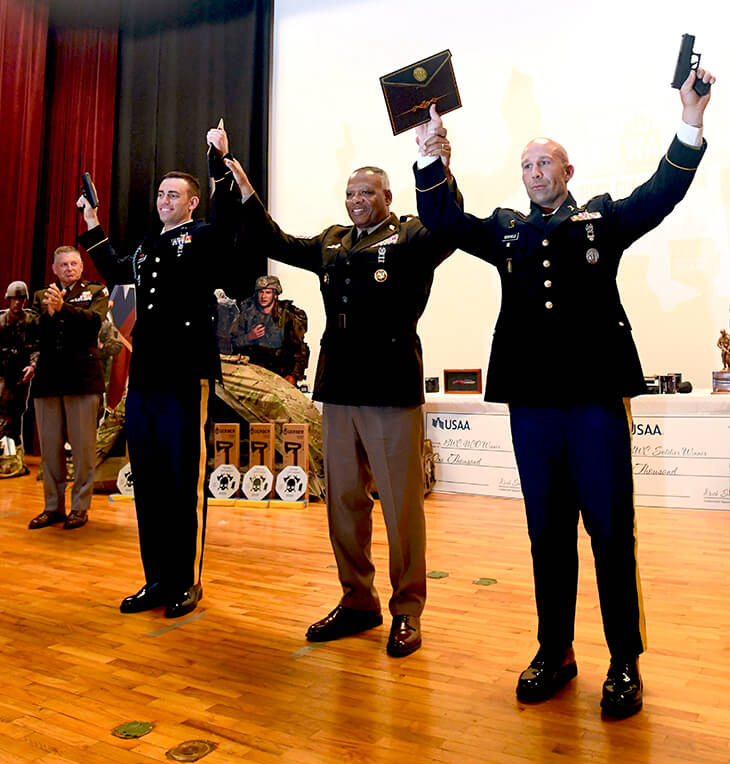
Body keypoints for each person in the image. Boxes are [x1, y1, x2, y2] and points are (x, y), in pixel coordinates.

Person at [413, 68, 715, 716]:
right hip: (533, 408)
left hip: (595, 404)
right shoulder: (505, 231)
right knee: (546, 534)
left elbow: (660, 193)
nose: (534, 169)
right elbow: (441, 218)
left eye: (545, 160)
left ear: (568, 170)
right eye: (526, 163)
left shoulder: (600, 220)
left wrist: (689, 123)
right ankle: (556, 650)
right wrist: (431, 152)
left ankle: (624, 659)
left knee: (610, 531)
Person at [224, 156, 460, 657]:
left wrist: (437, 164)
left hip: (390, 386)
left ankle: (407, 609)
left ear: (388, 198)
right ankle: (358, 600)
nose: (357, 201)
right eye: (351, 193)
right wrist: (245, 186)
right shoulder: (333, 241)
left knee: (400, 507)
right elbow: (276, 241)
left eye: (367, 193)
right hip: (339, 388)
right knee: (343, 503)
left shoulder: (413, 236)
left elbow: (449, 225)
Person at [76, 127, 241, 619]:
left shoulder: (204, 237)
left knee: (181, 478)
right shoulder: (149, 246)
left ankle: (185, 581)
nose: (164, 200)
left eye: (174, 195)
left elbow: (231, 218)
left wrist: (219, 161)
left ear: (192, 204)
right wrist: (92, 222)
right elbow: (115, 269)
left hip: (185, 374)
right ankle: (156, 578)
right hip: (146, 376)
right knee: (147, 478)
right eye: (161, 194)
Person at [29, 247, 109, 530]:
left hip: (82, 378)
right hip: (48, 379)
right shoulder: (41, 297)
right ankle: (53, 507)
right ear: (53, 268)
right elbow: (31, 330)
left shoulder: (97, 292)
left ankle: (79, 507)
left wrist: (64, 309)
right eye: (63, 265)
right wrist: (50, 315)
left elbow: (94, 324)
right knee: (50, 451)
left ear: (81, 266)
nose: (69, 269)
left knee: (83, 448)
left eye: (74, 263)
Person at [229, 274, 309, 384]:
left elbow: (300, 350)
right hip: (253, 374)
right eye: (261, 292)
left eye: (268, 292)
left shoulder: (288, 316)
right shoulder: (247, 316)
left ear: (275, 295)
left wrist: (293, 376)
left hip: (281, 375)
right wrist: (248, 337)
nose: (263, 296)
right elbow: (232, 343)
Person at [0, 281, 37, 452]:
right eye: (14, 299)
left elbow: (37, 346)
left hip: (21, 372)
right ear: (8, 300)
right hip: (2, 371)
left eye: (20, 299)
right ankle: (6, 447)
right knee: (3, 407)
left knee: (17, 410)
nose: (17, 303)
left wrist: (33, 366)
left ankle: (13, 448)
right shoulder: (1, 320)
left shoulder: (31, 321)